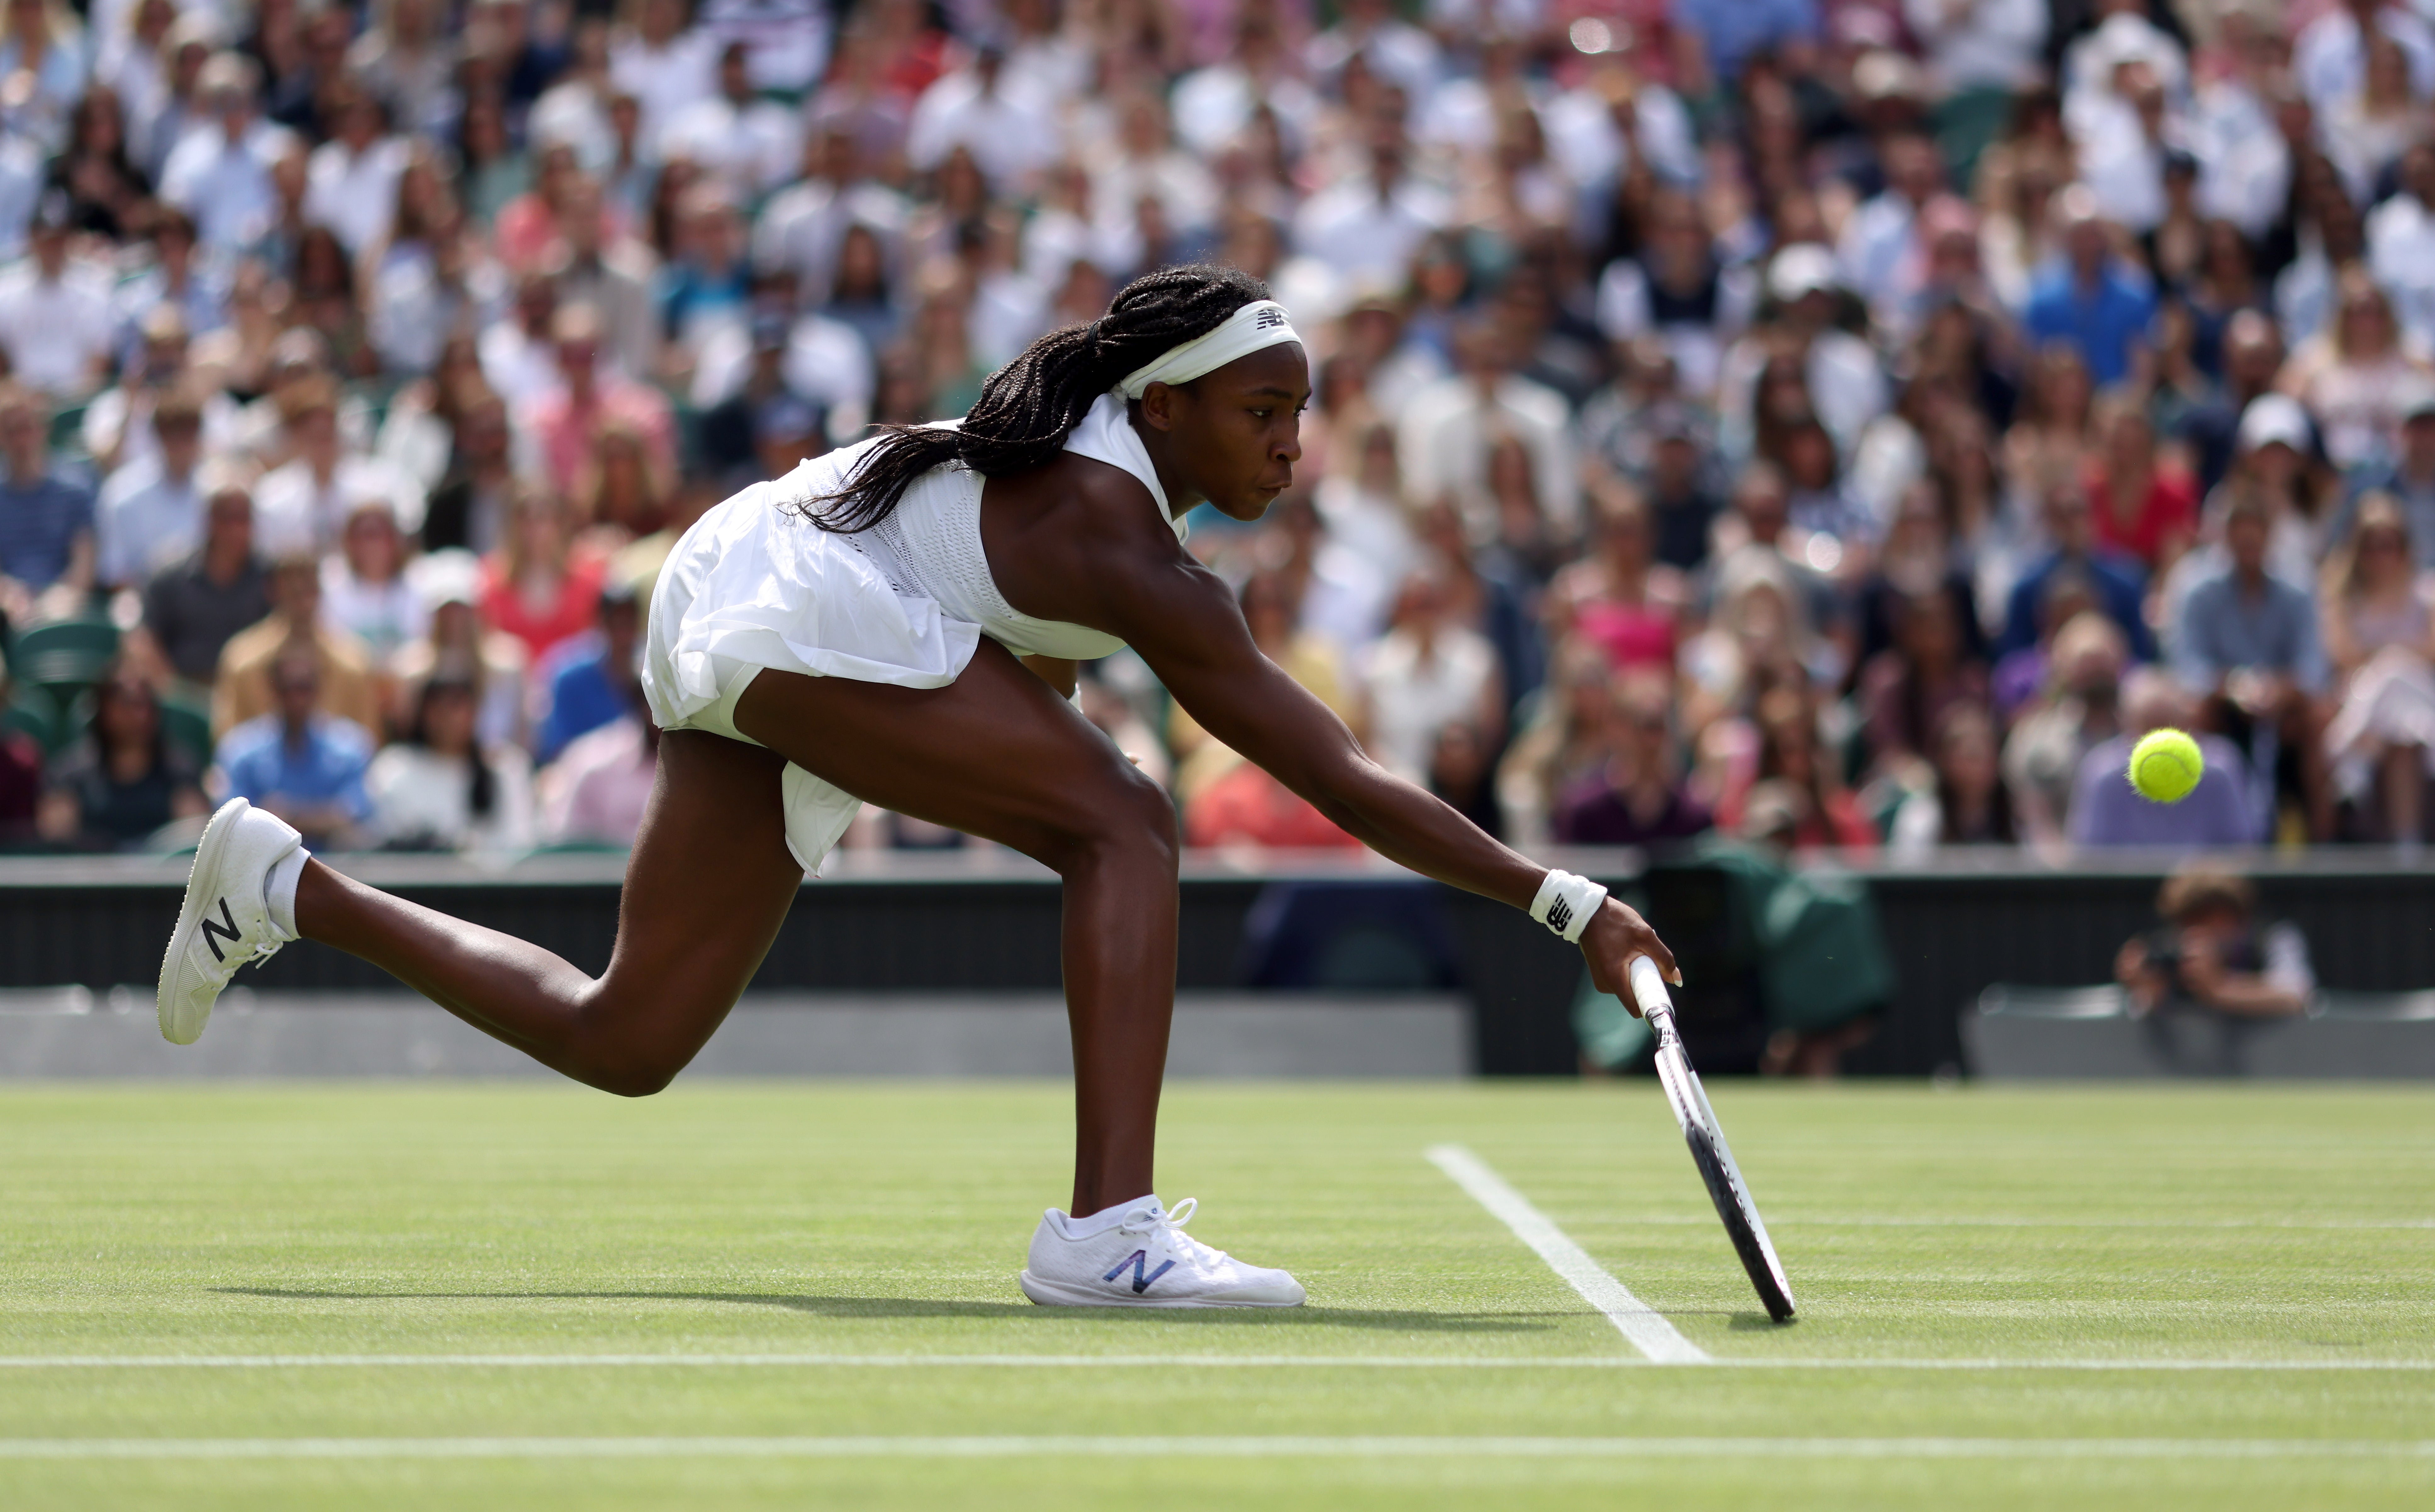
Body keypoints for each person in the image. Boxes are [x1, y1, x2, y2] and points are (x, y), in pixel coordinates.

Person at [155, 266, 1680, 1309]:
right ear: (1163, 406)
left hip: (751, 580)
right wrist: (1570, 901)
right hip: (800, 596)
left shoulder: (1111, 505)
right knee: (1129, 820)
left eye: (1299, 410)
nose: (1294, 442)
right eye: (1260, 410)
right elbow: (1336, 771)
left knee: (627, 1037)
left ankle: (287, 885)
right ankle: (1107, 1235)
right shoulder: (1121, 542)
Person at [210, 651, 375, 851]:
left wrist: (284, 815)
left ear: (318, 691)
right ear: (272, 692)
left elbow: (356, 813)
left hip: (335, 869)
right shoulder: (240, 750)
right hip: (262, 870)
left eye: (304, 689)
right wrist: (323, 818)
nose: (296, 700)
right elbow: (232, 819)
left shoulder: (351, 747)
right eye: (286, 689)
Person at [36, 670, 209, 850]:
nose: (141, 716)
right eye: (129, 705)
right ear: (104, 711)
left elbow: (194, 840)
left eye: (146, 706)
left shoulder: (182, 771)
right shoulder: (69, 775)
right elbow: (57, 844)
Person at [2115, 866, 2313, 1019]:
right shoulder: (2167, 955)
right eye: (2192, 922)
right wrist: (2148, 995)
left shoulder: (2274, 938)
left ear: (2239, 920)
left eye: (2214, 921)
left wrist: (2219, 989)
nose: (2201, 936)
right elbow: (2140, 1016)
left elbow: (2295, 998)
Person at [366, 675, 535, 852]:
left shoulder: (507, 767)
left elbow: (520, 842)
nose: (446, 715)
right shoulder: (394, 769)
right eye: (436, 704)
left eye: (457, 704)